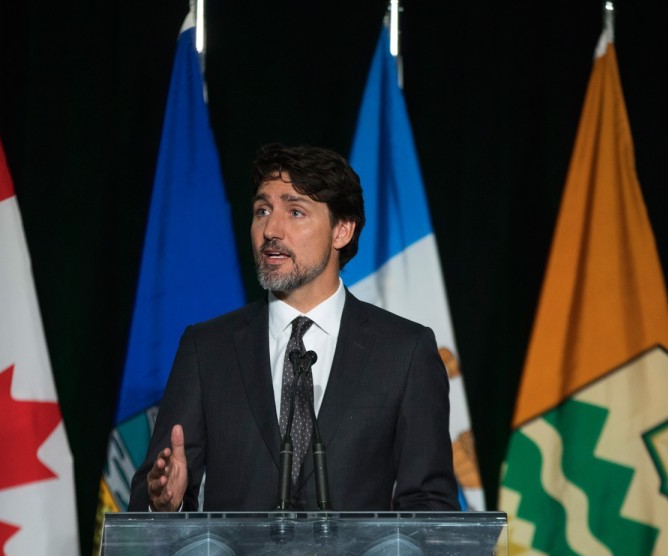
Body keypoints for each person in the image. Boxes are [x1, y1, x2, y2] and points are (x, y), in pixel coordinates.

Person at [128, 143, 459, 513]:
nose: (270, 229)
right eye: (262, 210)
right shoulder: (206, 349)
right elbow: (150, 495)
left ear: (342, 231)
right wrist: (164, 502)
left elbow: (431, 506)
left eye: (295, 211)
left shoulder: (405, 351)